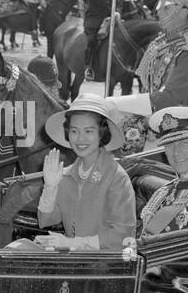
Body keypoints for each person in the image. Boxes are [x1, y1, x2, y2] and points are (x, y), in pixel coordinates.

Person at [27, 95, 135, 251]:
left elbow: (122, 237)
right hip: (74, 260)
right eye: (74, 131)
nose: (80, 138)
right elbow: (46, 221)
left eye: (89, 131)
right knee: (16, 249)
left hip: (106, 265)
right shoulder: (67, 174)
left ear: (102, 134)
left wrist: (69, 243)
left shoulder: (116, 177)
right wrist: (50, 187)